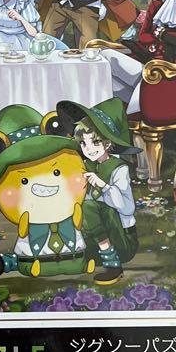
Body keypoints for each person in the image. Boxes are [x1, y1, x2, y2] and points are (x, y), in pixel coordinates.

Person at [0, 104, 92, 279]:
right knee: (28, 249)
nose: (44, 184)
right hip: (33, 255)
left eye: (56, 172)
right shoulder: (27, 218)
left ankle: (79, 262)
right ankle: (8, 264)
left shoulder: (76, 205)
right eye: (24, 181)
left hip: (75, 250)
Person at [57, 98, 139, 285]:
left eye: (95, 142)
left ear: (108, 143)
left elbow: (127, 208)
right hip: (92, 237)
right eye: (84, 144)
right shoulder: (85, 165)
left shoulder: (119, 169)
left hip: (122, 239)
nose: (89, 149)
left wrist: (104, 186)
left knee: (89, 206)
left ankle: (113, 265)